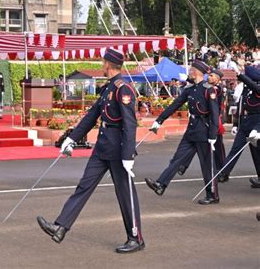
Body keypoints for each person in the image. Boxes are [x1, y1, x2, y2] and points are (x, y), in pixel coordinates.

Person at [36, 49, 144, 254]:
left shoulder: (124, 89)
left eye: (103, 62)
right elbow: (91, 117)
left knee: (125, 194)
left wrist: (129, 155)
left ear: (109, 64)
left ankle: (135, 237)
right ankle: (61, 226)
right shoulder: (108, 89)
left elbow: (130, 125)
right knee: (83, 186)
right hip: (103, 148)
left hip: (119, 151)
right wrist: (71, 139)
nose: (101, 65)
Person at [145, 61, 220, 205]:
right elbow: (175, 105)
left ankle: (213, 195)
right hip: (192, 129)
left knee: (207, 164)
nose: (189, 71)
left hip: (203, 130)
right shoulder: (189, 89)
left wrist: (213, 135)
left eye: (192, 69)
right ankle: (161, 184)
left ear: (197, 72)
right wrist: (159, 120)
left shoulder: (208, 89)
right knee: (177, 159)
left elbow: (215, 114)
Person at [177, 69, 226, 176]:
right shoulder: (207, 87)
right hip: (206, 122)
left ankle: (223, 170)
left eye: (211, 76)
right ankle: (183, 165)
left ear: (217, 79)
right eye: (208, 75)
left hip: (214, 120)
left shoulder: (218, 88)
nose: (208, 77)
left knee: (218, 148)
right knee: (196, 144)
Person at [218, 65, 260, 187]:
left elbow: (256, 88)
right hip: (246, 122)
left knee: (257, 153)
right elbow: (241, 107)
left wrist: (240, 74)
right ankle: (224, 173)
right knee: (235, 149)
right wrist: (236, 123)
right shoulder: (246, 89)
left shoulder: (256, 86)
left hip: (257, 122)